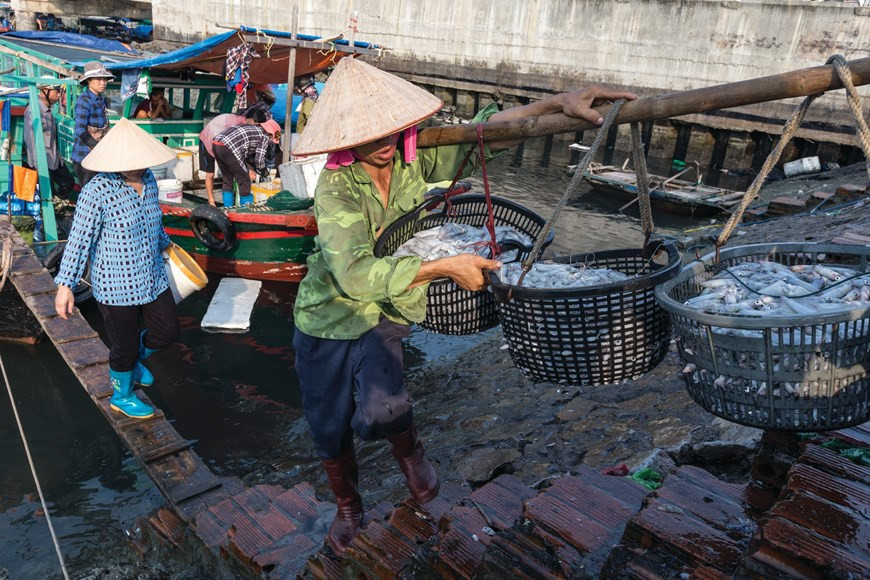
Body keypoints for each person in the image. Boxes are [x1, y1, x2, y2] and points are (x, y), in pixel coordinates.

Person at [290, 57, 636, 556]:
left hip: (386, 310)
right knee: (328, 422)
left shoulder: (414, 155)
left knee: (383, 409)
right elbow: (354, 274)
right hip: (327, 314)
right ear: (345, 138)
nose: (383, 141)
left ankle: (411, 456)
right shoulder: (337, 187)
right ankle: (348, 504)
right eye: (368, 135)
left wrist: (555, 104)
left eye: (390, 129)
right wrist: (444, 266)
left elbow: (482, 137)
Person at [54, 118, 180, 420]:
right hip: (115, 284)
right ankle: (121, 396)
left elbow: (153, 221)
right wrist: (65, 285)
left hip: (151, 277)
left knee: (168, 330)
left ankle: (136, 360)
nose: (138, 166)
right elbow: (79, 240)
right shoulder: (97, 191)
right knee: (121, 347)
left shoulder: (149, 180)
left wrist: (167, 244)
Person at [198, 108, 267, 206]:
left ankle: (228, 207)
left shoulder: (245, 125)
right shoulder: (235, 122)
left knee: (228, 177)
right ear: (251, 120)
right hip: (207, 141)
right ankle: (211, 200)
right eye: (258, 125)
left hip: (220, 145)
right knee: (210, 174)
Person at [23, 76, 75, 197]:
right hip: (42, 161)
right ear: (44, 91)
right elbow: (30, 140)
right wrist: (38, 165)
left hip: (54, 160)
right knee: (46, 192)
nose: (58, 95)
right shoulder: (33, 112)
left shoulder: (49, 111)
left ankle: (59, 202)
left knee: (68, 182)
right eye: (56, 91)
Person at [211, 119, 281, 207]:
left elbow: (247, 156)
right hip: (229, 147)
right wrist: (263, 171)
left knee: (227, 179)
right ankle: (245, 210)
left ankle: (227, 208)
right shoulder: (265, 136)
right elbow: (259, 160)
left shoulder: (253, 128)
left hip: (216, 144)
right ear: (271, 134)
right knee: (244, 181)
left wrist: (254, 169)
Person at [72, 61, 114, 187]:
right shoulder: (84, 100)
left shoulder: (102, 99)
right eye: (99, 79)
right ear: (89, 80)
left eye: (105, 79)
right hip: (84, 156)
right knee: (89, 192)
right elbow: (79, 130)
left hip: (98, 155)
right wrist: (97, 147)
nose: (103, 83)